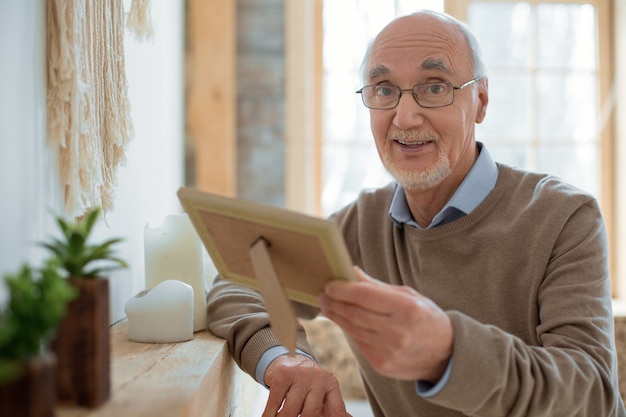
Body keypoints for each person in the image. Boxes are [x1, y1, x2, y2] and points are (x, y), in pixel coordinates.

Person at [206, 9, 626, 417]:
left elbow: (591, 398)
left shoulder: (565, 217)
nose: (404, 117)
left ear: (480, 101)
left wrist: (448, 352)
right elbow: (239, 280)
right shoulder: (358, 226)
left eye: (435, 86)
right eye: (385, 89)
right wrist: (286, 361)